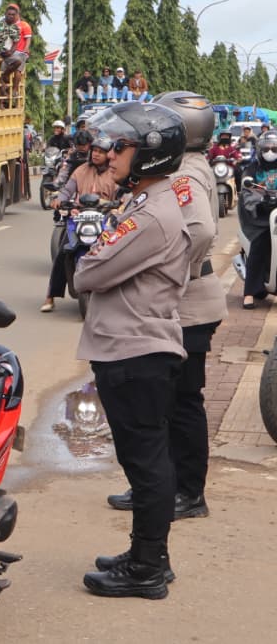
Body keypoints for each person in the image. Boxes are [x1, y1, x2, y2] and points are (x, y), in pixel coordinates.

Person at [76, 102, 190, 600]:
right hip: (133, 348)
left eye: (121, 147)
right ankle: (148, 556)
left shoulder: (150, 215)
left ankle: (147, 567)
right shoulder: (147, 202)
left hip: (134, 352)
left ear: (148, 154)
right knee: (144, 459)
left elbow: (89, 272)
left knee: (146, 463)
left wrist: (92, 255)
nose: (110, 154)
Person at [105, 93, 225, 522]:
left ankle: (188, 492)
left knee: (181, 403)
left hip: (189, 304)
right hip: (186, 302)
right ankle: (159, 486)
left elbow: (200, 230)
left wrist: (171, 271)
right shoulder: (185, 166)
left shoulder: (184, 173)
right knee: (165, 404)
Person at [40, 135, 122, 312]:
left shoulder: (115, 172)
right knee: (63, 253)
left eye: (101, 152)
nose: (96, 154)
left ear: (109, 155)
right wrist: (59, 200)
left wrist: (119, 205)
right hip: (79, 217)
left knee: (120, 251)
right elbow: (67, 190)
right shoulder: (81, 170)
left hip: (106, 218)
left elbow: (123, 195)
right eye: (95, 151)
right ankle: (50, 296)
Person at [240, 130, 277, 307]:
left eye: (274, 149)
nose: (270, 152)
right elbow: (247, 190)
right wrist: (262, 200)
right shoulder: (253, 168)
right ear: (260, 150)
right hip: (260, 218)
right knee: (259, 246)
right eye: (267, 148)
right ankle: (249, 293)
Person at [0, 3, 32, 104]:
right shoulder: (5, 25)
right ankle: (3, 98)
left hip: (20, 52)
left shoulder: (24, 25)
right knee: (2, 71)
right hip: (9, 52)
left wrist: (26, 50)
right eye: (9, 13)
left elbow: (28, 39)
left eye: (13, 13)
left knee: (18, 69)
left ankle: (15, 90)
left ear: (17, 13)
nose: (11, 15)